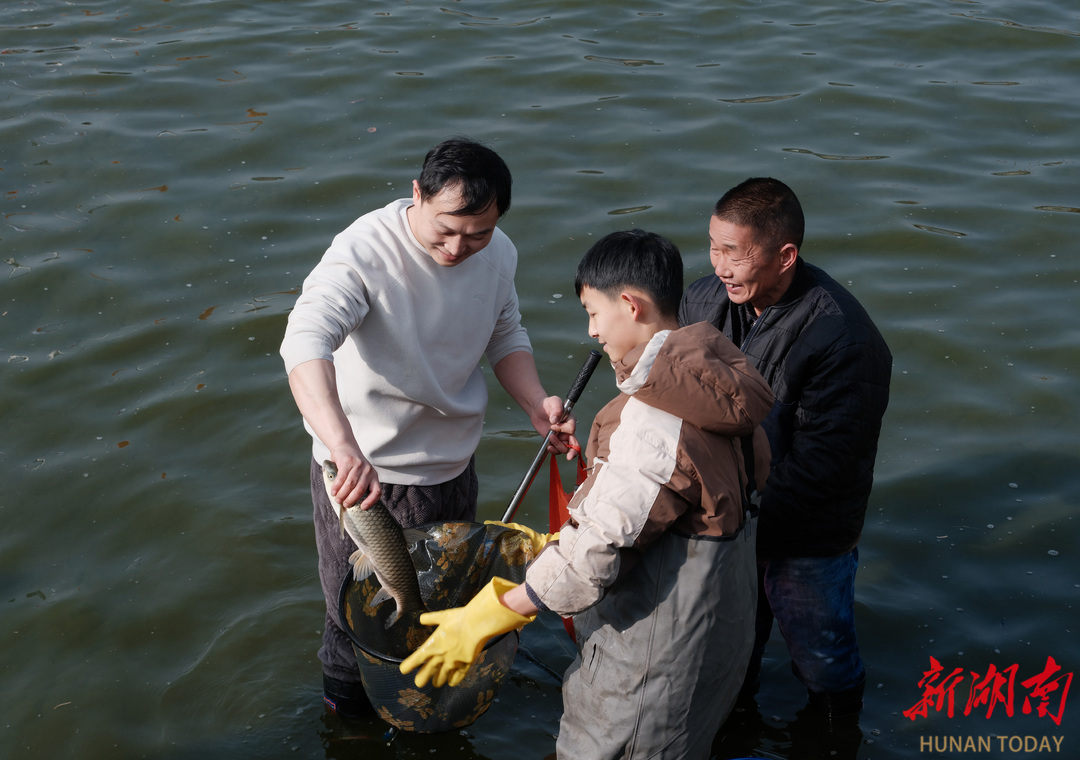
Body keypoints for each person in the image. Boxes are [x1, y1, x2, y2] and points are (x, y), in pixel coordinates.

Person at [400, 229, 774, 759]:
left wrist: (494, 612)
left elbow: (591, 560)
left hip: (652, 668)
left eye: (594, 312)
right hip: (714, 642)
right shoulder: (715, 381)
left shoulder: (655, 423)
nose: (592, 330)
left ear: (631, 305)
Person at [279, 137, 577, 719]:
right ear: (417, 194)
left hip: (452, 466)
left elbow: (504, 332)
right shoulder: (363, 251)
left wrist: (537, 402)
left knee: (444, 602)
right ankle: (349, 720)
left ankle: (430, 706)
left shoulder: (497, 253)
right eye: (446, 229)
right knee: (353, 622)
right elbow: (304, 341)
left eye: (478, 233)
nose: (458, 247)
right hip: (366, 480)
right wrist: (343, 446)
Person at [678, 177, 892, 720]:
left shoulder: (844, 338)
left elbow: (822, 469)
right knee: (729, 653)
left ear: (785, 255)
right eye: (713, 246)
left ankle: (834, 732)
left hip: (805, 535)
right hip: (726, 520)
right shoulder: (703, 300)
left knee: (823, 664)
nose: (719, 265)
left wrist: (728, 516)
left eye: (734, 253)